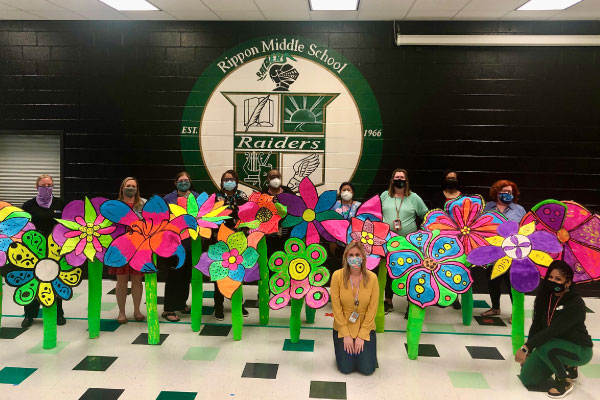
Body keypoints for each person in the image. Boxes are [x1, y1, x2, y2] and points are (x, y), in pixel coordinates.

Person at [515, 260, 593, 398]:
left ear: (568, 282)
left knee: (544, 346)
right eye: (550, 277)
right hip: (553, 345)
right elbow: (536, 325)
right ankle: (566, 365)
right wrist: (529, 352)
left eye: (558, 279)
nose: (553, 281)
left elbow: (552, 331)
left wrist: (525, 347)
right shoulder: (545, 297)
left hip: (579, 349)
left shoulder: (575, 304)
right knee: (528, 379)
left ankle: (563, 381)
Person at [380, 169, 428, 315]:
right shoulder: (384, 196)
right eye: (396, 177)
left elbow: (425, 215)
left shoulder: (414, 198)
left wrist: (423, 235)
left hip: (409, 244)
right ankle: (388, 301)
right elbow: (375, 213)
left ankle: (410, 304)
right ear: (392, 180)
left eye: (402, 177)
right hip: (388, 242)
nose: (399, 179)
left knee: (410, 272)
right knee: (389, 271)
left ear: (406, 181)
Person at [20, 174, 66, 328]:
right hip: (34, 251)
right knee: (33, 280)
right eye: (43, 185)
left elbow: (66, 225)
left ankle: (58, 313)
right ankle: (29, 315)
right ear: (36, 187)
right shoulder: (28, 205)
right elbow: (24, 227)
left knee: (55, 280)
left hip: (55, 250)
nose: (47, 188)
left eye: (49, 185)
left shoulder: (60, 203)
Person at [480, 180, 526, 318]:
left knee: (512, 283)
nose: (507, 194)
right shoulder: (487, 208)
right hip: (492, 252)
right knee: (493, 281)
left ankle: (516, 313)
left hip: (512, 252)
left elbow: (526, 229)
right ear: (497, 192)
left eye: (510, 192)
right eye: (504, 192)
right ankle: (495, 308)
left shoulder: (519, 210)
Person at [331, 241, 378, 375]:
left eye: (357, 254)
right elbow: (336, 307)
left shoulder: (372, 278)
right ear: (346, 257)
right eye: (350, 255)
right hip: (343, 324)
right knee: (346, 369)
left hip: (365, 325)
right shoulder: (337, 276)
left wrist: (362, 336)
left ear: (363, 257)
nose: (354, 257)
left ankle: (365, 352)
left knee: (367, 369)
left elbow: (372, 309)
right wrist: (345, 334)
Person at [107, 177, 146, 324]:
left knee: (137, 279)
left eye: (133, 186)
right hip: (120, 247)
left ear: (137, 189)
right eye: (128, 185)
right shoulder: (114, 205)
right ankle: (121, 312)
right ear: (122, 188)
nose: (131, 188)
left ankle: (137, 310)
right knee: (121, 280)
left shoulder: (143, 204)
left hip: (138, 247)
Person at [162, 171, 199, 322]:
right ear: (175, 182)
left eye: (186, 180)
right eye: (180, 181)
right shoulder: (168, 199)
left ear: (190, 182)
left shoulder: (196, 197)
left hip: (192, 243)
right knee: (174, 276)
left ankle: (182, 303)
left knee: (186, 276)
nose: (183, 183)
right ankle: (168, 309)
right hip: (174, 244)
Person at [214, 170, 249, 320]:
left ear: (236, 181)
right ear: (222, 182)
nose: (228, 182)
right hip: (220, 240)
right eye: (225, 179)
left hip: (238, 239)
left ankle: (237, 303)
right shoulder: (215, 197)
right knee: (219, 273)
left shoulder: (242, 196)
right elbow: (210, 219)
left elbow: (248, 215)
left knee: (237, 272)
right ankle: (218, 306)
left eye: (231, 179)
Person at [429, 170, 463, 310]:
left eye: (453, 178)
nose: (451, 180)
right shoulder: (438, 197)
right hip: (440, 239)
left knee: (455, 268)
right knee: (438, 268)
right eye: (449, 178)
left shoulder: (464, 198)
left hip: (458, 239)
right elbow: (431, 216)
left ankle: (454, 297)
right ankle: (439, 296)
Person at [330, 182, 361, 266]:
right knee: (340, 267)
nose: (346, 192)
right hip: (338, 242)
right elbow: (330, 224)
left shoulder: (358, 205)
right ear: (340, 192)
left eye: (348, 190)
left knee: (354, 267)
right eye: (344, 190)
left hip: (354, 243)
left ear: (353, 192)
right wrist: (332, 241)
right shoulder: (335, 205)